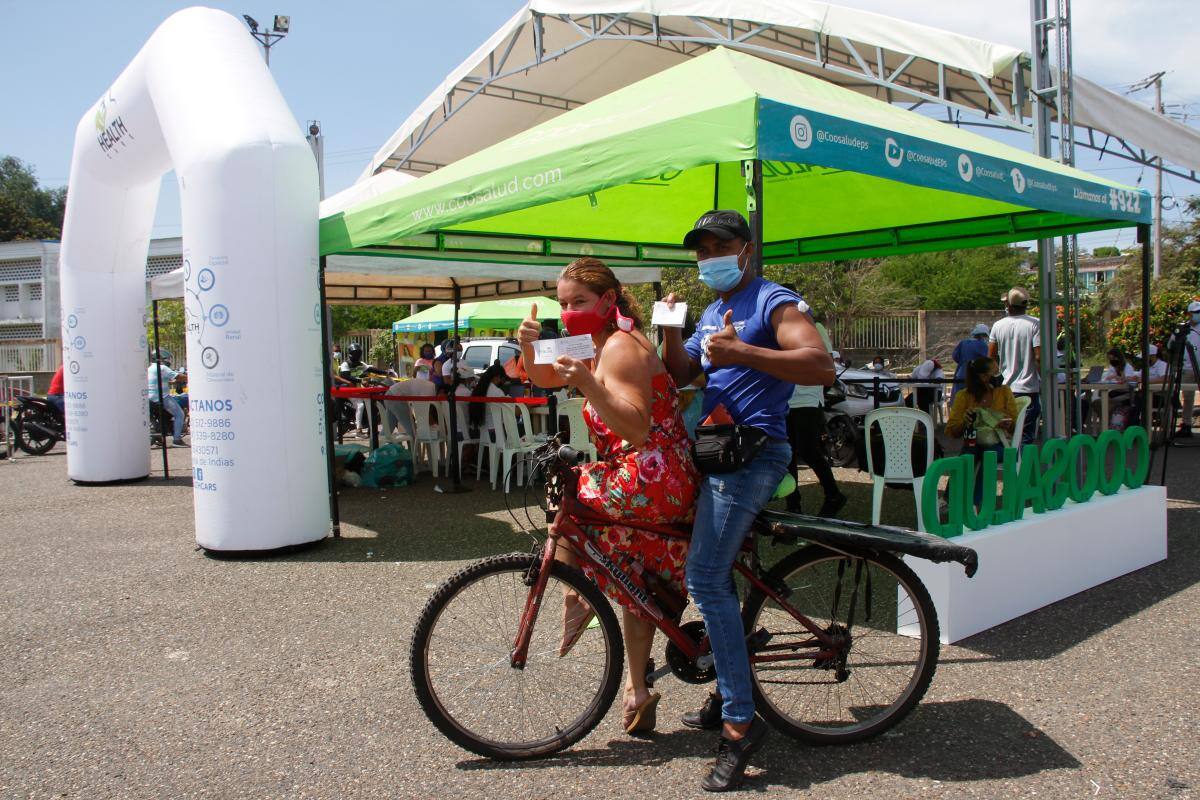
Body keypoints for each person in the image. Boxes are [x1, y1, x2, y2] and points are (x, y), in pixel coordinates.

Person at [660, 210, 833, 791]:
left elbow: (820, 365)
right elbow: (683, 370)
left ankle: (740, 723)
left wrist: (745, 355)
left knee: (705, 577)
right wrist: (668, 329)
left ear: (746, 248)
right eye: (701, 248)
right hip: (715, 448)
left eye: (720, 245)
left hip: (756, 452)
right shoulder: (712, 310)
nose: (709, 255)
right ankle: (727, 682)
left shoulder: (773, 301)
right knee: (717, 573)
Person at [518, 257, 699, 740]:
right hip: (646, 474)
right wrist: (528, 346)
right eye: (563, 303)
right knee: (637, 585)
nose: (570, 310)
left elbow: (637, 428)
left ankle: (574, 587)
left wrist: (589, 383)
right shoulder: (592, 340)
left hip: (654, 474)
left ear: (608, 300)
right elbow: (543, 375)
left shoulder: (619, 347)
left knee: (570, 491)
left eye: (579, 301)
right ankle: (637, 693)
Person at [784, 311, 845, 517]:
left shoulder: (813, 326)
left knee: (808, 449)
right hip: (785, 400)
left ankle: (833, 494)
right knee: (788, 454)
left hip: (808, 398)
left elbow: (827, 363)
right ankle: (793, 504)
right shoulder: (777, 328)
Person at [945, 357, 1017, 507]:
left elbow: (1015, 426)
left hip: (1000, 443)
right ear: (984, 377)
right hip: (974, 442)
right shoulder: (964, 396)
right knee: (966, 456)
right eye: (995, 372)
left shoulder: (1004, 392)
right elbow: (952, 430)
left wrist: (1007, 424)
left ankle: (977, 503)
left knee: (988, 456)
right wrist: (965, 422)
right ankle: (951, 500)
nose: (999, 375)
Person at [989, 287, 1041, 444]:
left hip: (1005, 390)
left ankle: (1009, 466)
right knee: (1024, 436)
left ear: (1009, 305)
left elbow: (991, 356)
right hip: (1028, 389)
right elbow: (1038, 356)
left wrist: (996, 380)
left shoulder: (998, 326)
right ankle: (1022, 467)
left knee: (1005, 436)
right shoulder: (1035, 324)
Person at [148, 351, 186, 446]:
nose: (168, 361)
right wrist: (192, 377)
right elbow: (178, 376)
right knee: (180, 414)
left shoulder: (149, 368)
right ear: (161, 359)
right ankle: (177, 440)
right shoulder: (162, 368)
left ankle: (160, 435)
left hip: (150, 398)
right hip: (161, 397)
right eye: (166, 359)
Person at [1095, 347, 1137, 429]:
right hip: (1112, 392)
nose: (1111, 361)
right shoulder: (1112, 367)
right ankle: (1106, 421)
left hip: (1125, 394)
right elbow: (1107, 379)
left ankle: (1107, 425)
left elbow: (1129, 380)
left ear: (1118, 357)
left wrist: (1119, 377)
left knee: (1107, 404)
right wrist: (1108, 378)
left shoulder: (1127, 367)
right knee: (1096, 403)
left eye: (1113, 358)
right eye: (1110, 359)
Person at [1178, 300, 1200, 436]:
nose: (1197, 315)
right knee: (1187, 398)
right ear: (1189, 314)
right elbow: (1171, 345)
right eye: (1195, 313)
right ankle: (1186, 425)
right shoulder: (1184, 329)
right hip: (1188, 368)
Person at [952, 324, 990, 400]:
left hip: (960, 375)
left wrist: (963, 363)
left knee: (959, 400)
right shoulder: (983, 346)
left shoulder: (963, 343)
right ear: (983, 335)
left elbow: (955, 356)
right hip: (974, 378)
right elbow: (987, 362)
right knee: (973, 401)